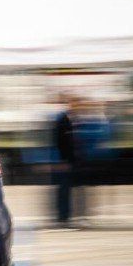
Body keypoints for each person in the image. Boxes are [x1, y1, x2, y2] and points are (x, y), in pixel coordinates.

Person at [51, 94, 82, 227]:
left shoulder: (73, 119)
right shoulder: (63, 119)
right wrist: (62, 160)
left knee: (67, 189)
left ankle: (66, 215)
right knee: (63, 189)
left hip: (71, 161)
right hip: (64, 161)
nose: (76, 106)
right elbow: (59, 141)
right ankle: (62, 216)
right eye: (74, 103)